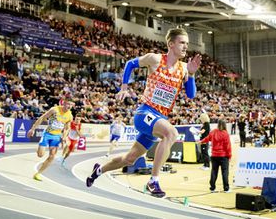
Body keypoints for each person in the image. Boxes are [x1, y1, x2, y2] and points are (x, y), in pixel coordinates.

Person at [86, 28, 202, 197]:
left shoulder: (185, 68)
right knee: (171, 133)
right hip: (144, 113)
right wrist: (124, 87)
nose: (186, 47)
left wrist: (191, 74)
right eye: (182, 43)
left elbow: (191, 95)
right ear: (171, 44)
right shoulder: (155, 59)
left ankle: (98, 170)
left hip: (158, 119)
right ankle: (153, 181)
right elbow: (130, 64)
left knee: (129, 159)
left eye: (187, 44)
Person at [27, 98, 73, 181]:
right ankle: (39, 148)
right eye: (67, 104)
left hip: (56, 137)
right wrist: (32, 129)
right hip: (47, 134)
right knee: (40, 155)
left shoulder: (70, 116)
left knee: (52, 156)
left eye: (71, 105)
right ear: (64, 103)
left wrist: (64, 136)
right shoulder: (54, 110)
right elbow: (42, 118)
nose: (69, 106)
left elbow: (67, 128)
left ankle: (38, 173)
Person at [198, 120, 232, 193]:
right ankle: (226, 188)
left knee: (214, 171)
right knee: (225, 172)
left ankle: (212, 188)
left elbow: (207, 138)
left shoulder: (213, 132)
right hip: (223, 156)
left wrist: (201, 141)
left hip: (214, 155)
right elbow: (228, 146)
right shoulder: (225, 134)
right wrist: (229, 156)